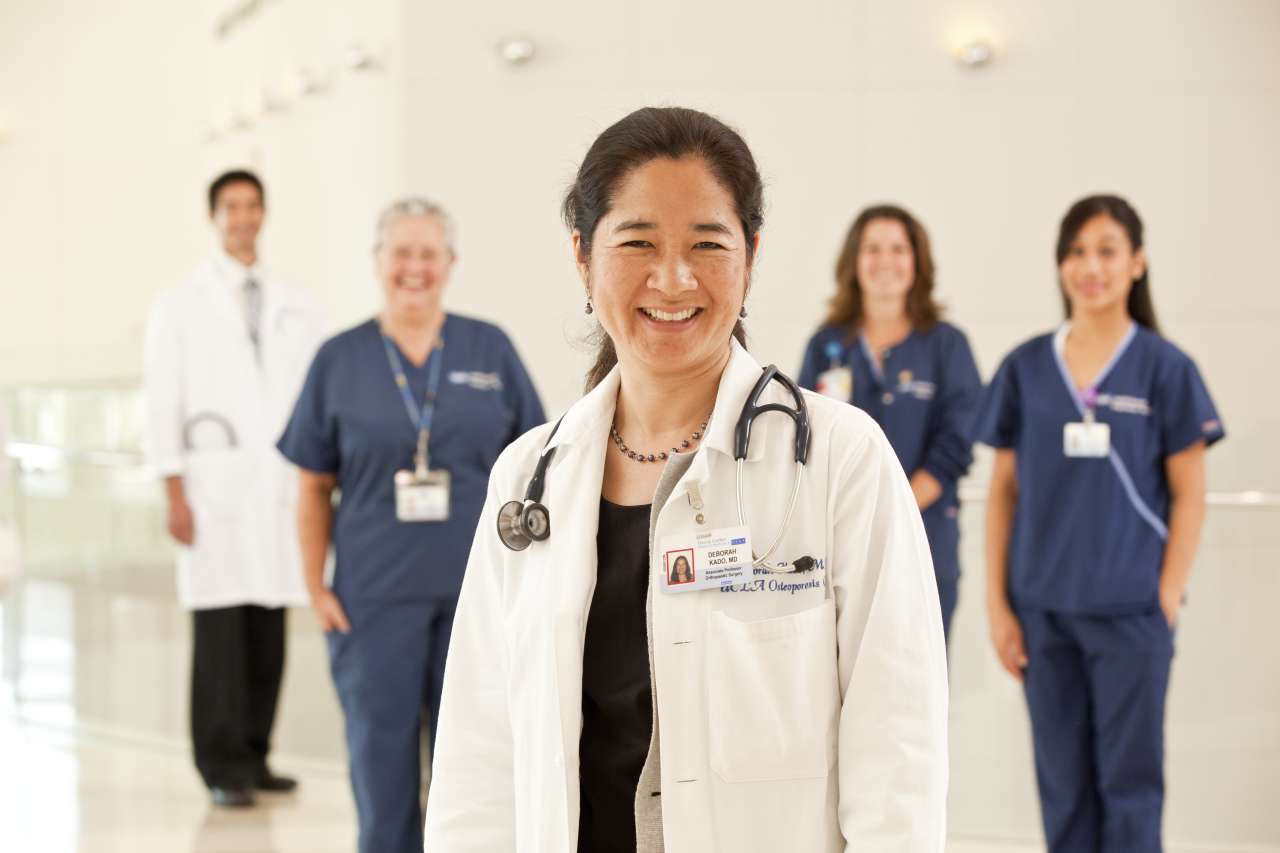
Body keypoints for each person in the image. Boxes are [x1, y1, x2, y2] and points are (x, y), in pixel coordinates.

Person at [424, 107, 948, 852]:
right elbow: (479, 755)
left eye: (707, 243)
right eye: (637, 242)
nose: (672, 278)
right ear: (582, 255)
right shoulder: (529, 477)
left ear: (751, 256)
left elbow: (897, 741)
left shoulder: (841, 460)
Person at [276, 197, 544, 853]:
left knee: (476, 772)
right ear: (378, 262)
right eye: (402, 253)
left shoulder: (490, 347)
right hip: (372, 600)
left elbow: (536, 470)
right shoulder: (339, 360)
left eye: (429, 253)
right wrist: (315, 587)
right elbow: (312, 484)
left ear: (449, 263)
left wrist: (533, 584)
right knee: (381, 774)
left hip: (479, 597)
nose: (415, 268)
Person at [974, 195, 1224, 852]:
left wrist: (1165, 595)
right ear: (1061, 266)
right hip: (1043, 613)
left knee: (1130, 785)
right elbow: (1002, 490)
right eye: (1077, 251)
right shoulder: (1027, 367)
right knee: (1063, 787)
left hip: (1131, 613)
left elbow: (1191, 495)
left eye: (1108, 249)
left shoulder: (1166, 368)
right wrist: (998, 603)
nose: (1091, 265)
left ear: (1137, 262)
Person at [143, 169, 326, 808]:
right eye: (231, 207)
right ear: (215, 216)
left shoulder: (295, 302)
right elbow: (161, 401)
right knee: (221, 629)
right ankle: (220, 765)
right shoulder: (180, 305)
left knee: (268, 624)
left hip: (278, 489)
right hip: (211, 491)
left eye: (251, 205)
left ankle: (254, 753)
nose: (242, 216)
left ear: (264, 213)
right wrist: (172, 489)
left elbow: (315, 394)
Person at [798, 205, 981, 642]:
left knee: (918, 689)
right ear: (853, 262)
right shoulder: (826, 345)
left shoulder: (946, 345)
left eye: (898, 249)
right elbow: (804, 437)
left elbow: (956, 445)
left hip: (926, 542)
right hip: (841, 544)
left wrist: (894, 509)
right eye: (872, 249)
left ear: (917, 262)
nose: (885, 261)